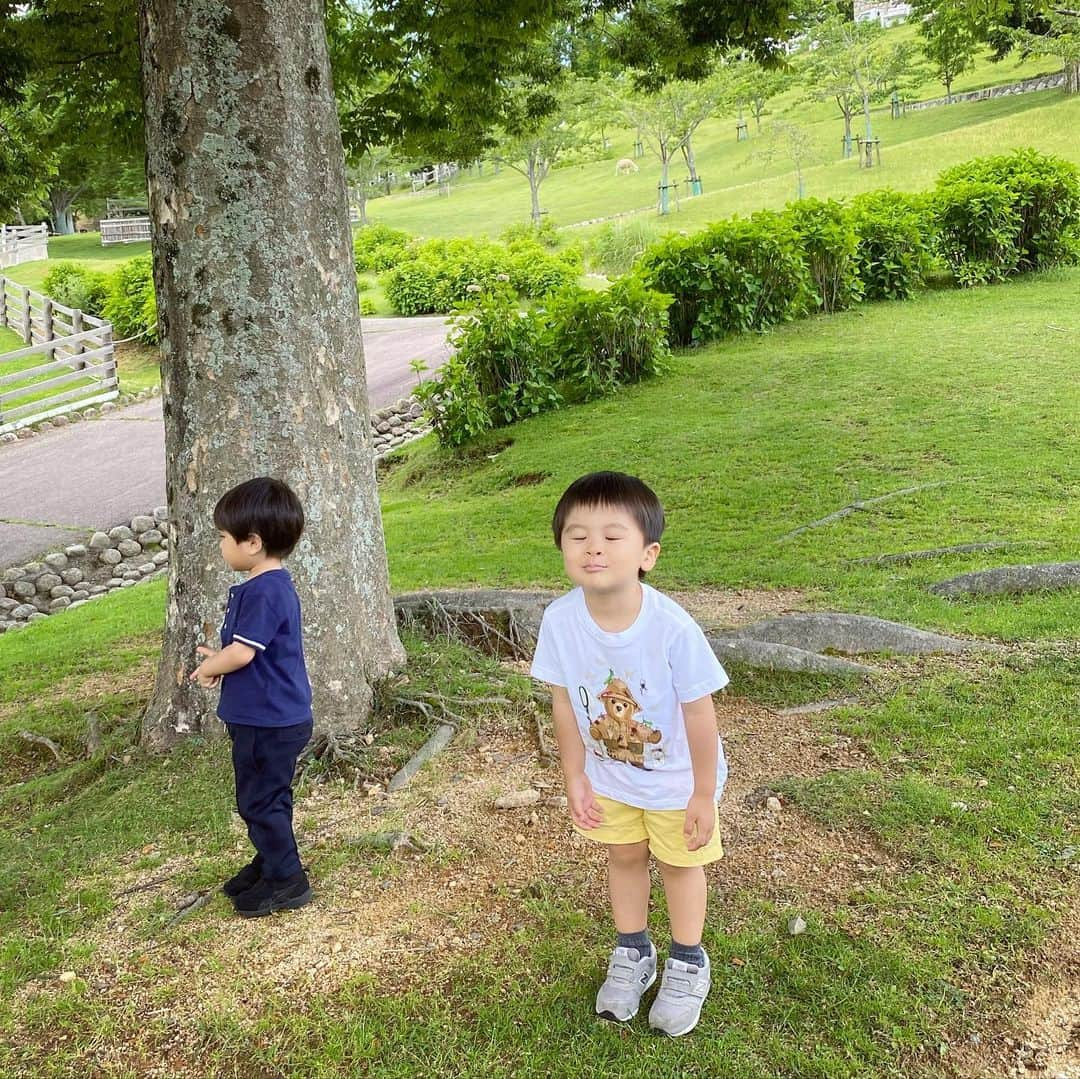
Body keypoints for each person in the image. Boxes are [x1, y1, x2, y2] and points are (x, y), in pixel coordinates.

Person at [530, 471, 729, 1036]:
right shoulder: (559, 620)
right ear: (562, 547)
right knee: (623, 857)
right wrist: (573, 774)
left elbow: (699, 712)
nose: (594, 547)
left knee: (679, 864)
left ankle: (688, 961)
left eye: (613, 536)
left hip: (675, 781)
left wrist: (701, 792)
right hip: (609, 777)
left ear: (648, 554)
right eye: (577, 534)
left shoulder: (671, 628)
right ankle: (632, 952)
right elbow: (564, 703)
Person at [189, 476, 314, 918]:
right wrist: (218, 657)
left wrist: (211, 666)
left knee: (259, 801)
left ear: (253, 542)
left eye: (224, 537)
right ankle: (270, 861)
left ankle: (288, 881)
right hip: (266, 717)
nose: (221, 545)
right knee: (267, 797)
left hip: (270, 721)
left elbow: (242, 654)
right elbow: (247, 651)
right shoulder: (265, 586)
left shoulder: (266, 590)